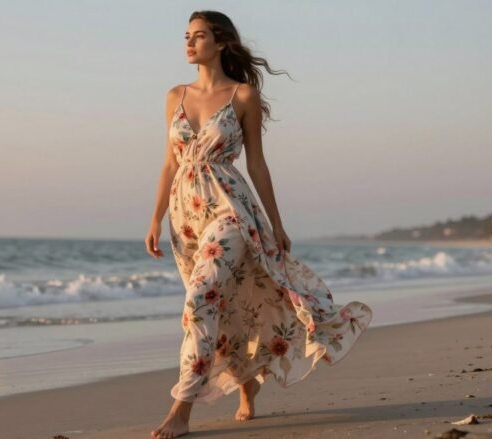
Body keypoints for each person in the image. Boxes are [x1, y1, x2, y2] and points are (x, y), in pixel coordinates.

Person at [144, 10, 373, 439]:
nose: (189, 43)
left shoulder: (242, 96)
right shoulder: (174, 96)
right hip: (185, 217)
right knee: (221, 305)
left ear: (222, 42)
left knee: (199, 301)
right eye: (186, 36)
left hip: (231, 210)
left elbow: (257, 164)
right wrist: (154, 219)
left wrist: (276, 223)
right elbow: (169, 164)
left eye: (199, 36)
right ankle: (247, 385)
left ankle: (181, 408)